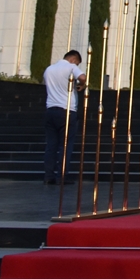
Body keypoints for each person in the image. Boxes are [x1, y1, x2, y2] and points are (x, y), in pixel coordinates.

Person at [43, 50, 85, 185]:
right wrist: (82, 85)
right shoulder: (71, 67)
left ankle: (49, 176)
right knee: (66, 145)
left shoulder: (49, 69)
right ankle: (62, 176)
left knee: (51, 145)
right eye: (77, 63)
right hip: (66, 110)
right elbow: (83, 77)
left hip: (50, 109)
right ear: (73, 59)